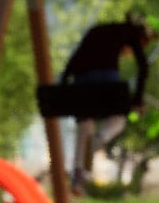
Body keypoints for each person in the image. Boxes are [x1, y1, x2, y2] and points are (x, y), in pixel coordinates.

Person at [60, 16, 151, 191]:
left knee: (84, 126)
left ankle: (78, 175)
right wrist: (138, 100)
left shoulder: (97, 30)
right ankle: (96, 142)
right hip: (106, 87)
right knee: (118, 121)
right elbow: (144, 67)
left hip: (81, 88)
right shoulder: (129, 32)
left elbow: (73, 61)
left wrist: (63, 87)